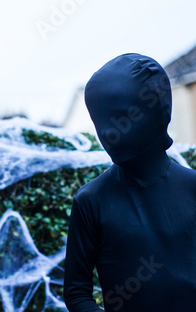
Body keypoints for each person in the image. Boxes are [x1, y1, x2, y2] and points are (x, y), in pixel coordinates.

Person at [63, 53, 196, 311]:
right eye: (99, 120)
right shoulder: (91, 201)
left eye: (120, 116)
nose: (107, 132)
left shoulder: (193, 188)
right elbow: (77, 291)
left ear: (155, 109)